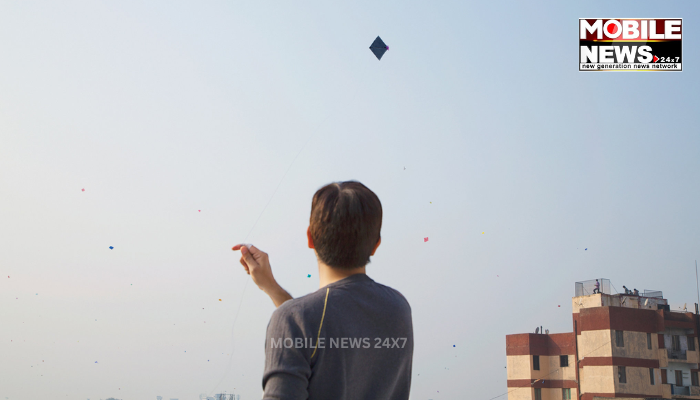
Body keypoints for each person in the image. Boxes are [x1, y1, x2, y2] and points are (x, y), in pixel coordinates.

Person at [233, 181, 413, 400]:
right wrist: (272, 288)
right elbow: (320, 328)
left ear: (310, 238)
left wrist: (285, 311)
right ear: (376, 244)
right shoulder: (398, 307)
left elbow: (312, 326)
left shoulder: (293, 319)